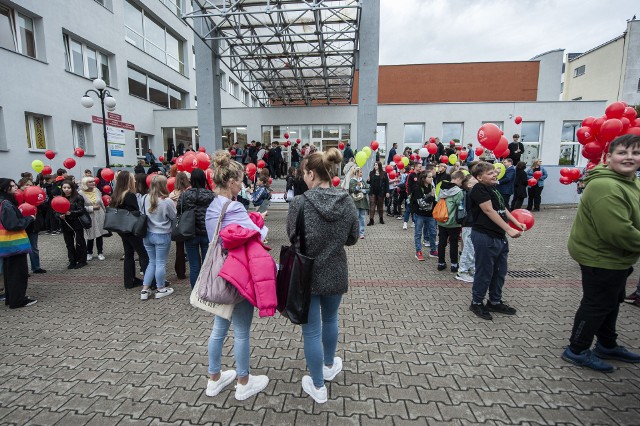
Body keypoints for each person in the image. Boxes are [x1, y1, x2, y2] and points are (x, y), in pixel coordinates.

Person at [562, 135, 640, 372]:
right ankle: (576, 349)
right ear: (607, 158)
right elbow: (617, 232)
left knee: (612, 301)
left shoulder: (629, 181)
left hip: (617, 258)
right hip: (601, 257)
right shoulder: (605, 186)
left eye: (635, 153)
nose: (629, 157)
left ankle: (607, 344)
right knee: (596, 304)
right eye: (622, 152)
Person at [287, 147, 358, 403]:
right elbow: (351, 238)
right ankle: (329, 366)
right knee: (331, 320)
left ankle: (318, 386)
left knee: (312, 331)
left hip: (306, 274)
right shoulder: (348, 200)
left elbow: (292, 237)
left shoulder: (300, 202)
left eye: (304, 172)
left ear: (310, 174)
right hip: (336, 270)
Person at [204, 150, 271, 401]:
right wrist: (261, 222)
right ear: (230, 182)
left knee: (219, 328)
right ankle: (243, 381)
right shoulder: (234, 207)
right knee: (241, 330)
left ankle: (214, 378)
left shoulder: (213, 206)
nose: (242, 185)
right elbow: (258, 235)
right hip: (238, 274)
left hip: (218, 273)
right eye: (240, 180)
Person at [468, 162, 526, 321]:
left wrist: (515, 222)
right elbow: (488, 210)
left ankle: (494, 301)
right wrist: (509, 229)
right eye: (490, 173)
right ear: (479, 177)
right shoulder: (479, 189)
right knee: (485, 271)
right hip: (485, 236)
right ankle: (477, 302)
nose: (495, 174)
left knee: (499, 271)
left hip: (499, 237)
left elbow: (503, 209)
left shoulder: (494, 189)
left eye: (495, 172)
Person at [0, 178, 36, 308]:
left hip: (6, 245)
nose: (16, 187)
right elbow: (13, 224)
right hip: (14, 244)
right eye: (12, 186)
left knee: (10, 272)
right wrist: (29, 219)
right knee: (18, 273)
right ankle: (18, 301)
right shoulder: (6, 204)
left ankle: (12, 298)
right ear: (5, 188)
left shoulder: (3, 202)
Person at [140, 175, 176, 300]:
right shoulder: (167, 201)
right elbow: (173, 216)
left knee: (152, 262)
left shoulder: (145, 198)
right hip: (162, 234)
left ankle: (145, 289)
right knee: (160, 263)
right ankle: (160, 288)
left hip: (147, 234)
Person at [178, 168, 215, 289]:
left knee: (194, 266)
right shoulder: (210, 195)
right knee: (207, 264)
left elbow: (179, 210)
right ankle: (206, 289)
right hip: (206, 232)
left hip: (190, 232)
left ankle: (195, 291)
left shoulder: (185, 195)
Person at [111, 171, 148, 289]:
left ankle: (129, 281)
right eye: (133, 179)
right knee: (143, 254)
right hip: (130, 228)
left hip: (122, 229)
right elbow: (134, 212)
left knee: (128, 254)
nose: (135, 181)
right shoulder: (130, 195)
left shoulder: (116, 194)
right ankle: (149, 281)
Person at [435, 171, 465, 272]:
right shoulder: (458, 191)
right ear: (458, 179)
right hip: (453, 222)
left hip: (441, 219)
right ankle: (454, 264)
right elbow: (460, 206)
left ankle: (441, 262)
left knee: (442, 243)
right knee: (453, 243)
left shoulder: (442, 188)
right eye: (462, 181)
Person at [59, 180, 88, 270]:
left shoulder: (78, 197)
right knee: (69, 243)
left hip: (77, 223)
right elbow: (55, 211)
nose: (66, 190)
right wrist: (60, 216)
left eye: (68, 188)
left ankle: (82, 260)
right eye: (64, 188)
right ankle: (72, 260)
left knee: (80, 242)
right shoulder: (60, 198)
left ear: (72, 188)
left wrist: (70, 213)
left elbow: (81, 210)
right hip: (65, 224)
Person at [79, 177, 108, 261]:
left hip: (99, 215)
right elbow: (81, 207)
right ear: (85, 184)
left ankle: (100, 252)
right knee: (90, 235)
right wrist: (91, 208)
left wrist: (106, 214)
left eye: (93, 181)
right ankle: (89, 252)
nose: (93, 183)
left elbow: (101, 202)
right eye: (90, 182)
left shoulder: (97, 190)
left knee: (99, 234)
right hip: (89, 216)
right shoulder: (81, 193)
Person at [411, 171, 437, 261]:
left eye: (431, 177)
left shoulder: (431, 187)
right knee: (418, 233)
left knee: (433, 232)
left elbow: (434, 201)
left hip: (430, 215)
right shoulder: (417, 189)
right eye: (429, 177)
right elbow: (421, 204)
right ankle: (418, 251)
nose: (431, 178)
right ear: (423, 178)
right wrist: (431, 196)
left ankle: (433, 250)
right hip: (420, 214)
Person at [456, 174, 478, 283]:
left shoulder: (472, 193)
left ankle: (470, 269)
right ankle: (462, 271)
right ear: (469, 184)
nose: (477, 179)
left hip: (472, 224)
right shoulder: (471, 194)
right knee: (468, 249)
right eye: (474, 179)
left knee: (472, 249)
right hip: (469, 223)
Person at [169, 172, 190, 280]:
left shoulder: (171, 195)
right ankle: (196, 269)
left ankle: (180, 272)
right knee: (192, 247)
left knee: (179, 248)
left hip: (177, 223)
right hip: (189, 223)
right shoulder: (188, 193)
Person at [348, 167, 369, 239]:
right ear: (356, 173)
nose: (361, 173)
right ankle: (354, 233)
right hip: (355, 202)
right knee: (355, 218)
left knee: (362, 218)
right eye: (360, 172)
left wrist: (364, 191)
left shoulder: (362, 180)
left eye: (361, 172)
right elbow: (351, 190)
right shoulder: (352, 181)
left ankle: (361, 233)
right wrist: (357, 187)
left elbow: (368, 188)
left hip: (362, 202)